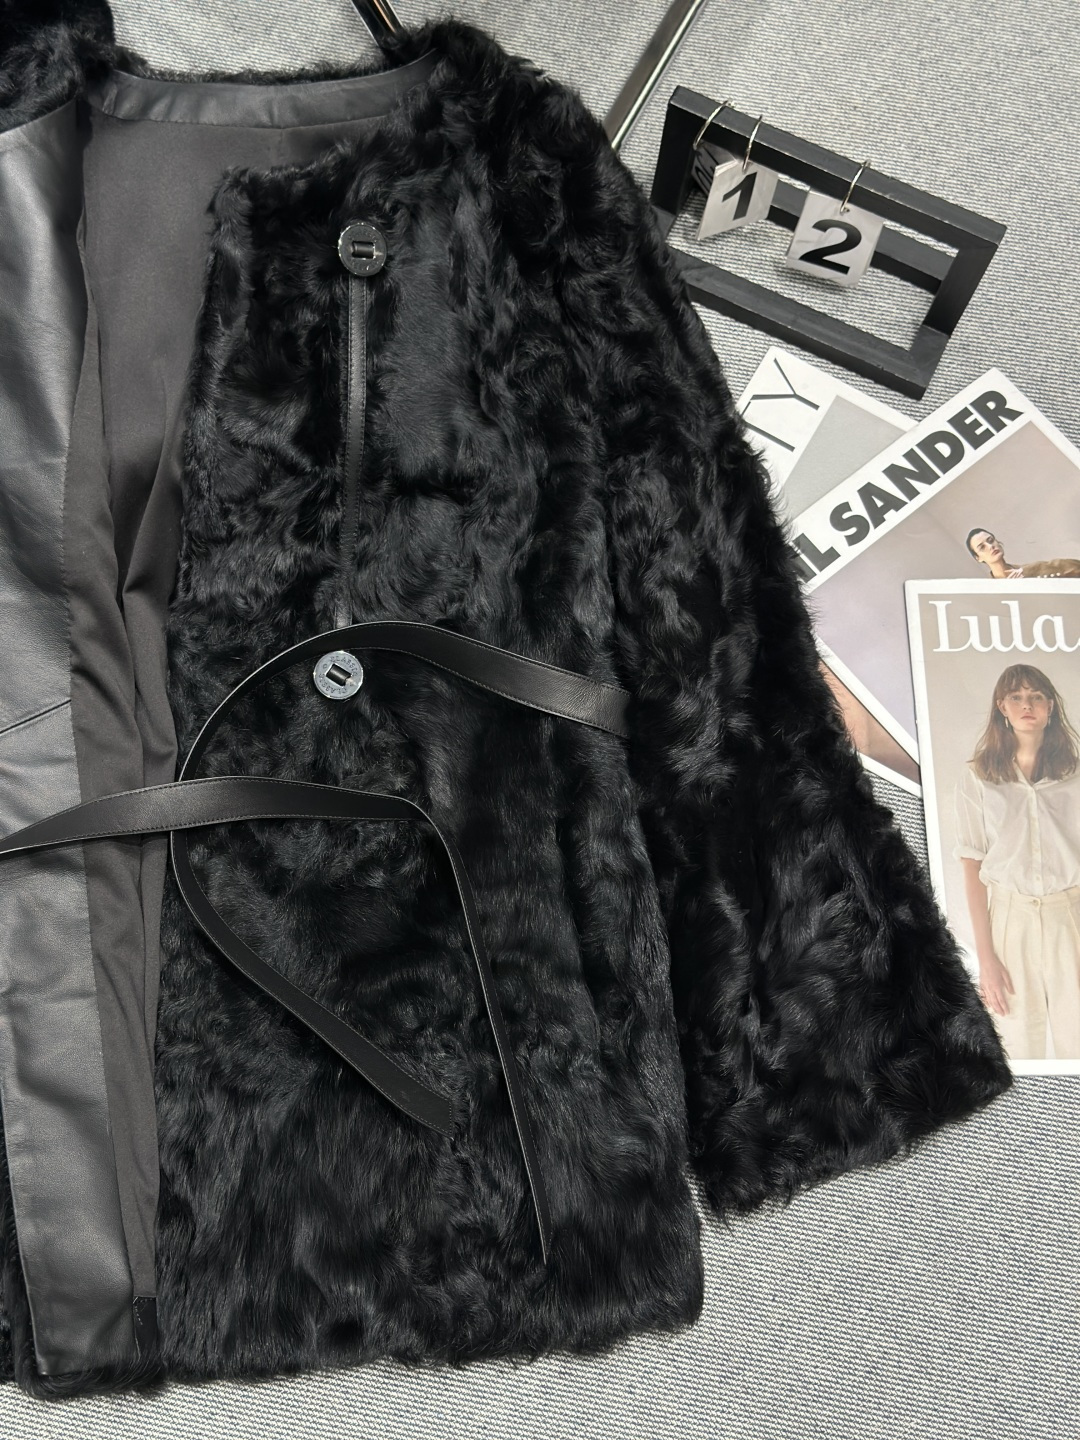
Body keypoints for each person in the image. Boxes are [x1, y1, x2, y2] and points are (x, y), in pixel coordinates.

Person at [955, 663, 1080, 1060]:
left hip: (1071, 917)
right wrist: (986, 959)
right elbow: (972, 867)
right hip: (1010, 923)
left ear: (1050, 707)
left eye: (1036, 697)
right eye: (1017, 697)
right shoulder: (978, 777)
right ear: (1002, 707)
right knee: (1016, 1049)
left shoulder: (1076, 774)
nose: (1027, 705)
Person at [964, 526, 1080, 578]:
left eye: (990, 540)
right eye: (982, 547)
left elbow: (1071, 567)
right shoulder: (988, 591)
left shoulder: (1030, 570)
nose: (990, 546)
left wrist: (1028, 577)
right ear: (978, 557)